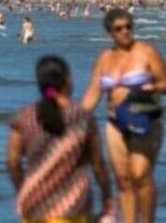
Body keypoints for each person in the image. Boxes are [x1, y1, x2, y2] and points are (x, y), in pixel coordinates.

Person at [81, 8, 166, 223]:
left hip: (146, 118)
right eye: (119, 29)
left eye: (129, 27)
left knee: (141, 175)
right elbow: (94, 93)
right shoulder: (105, 57)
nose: (125, 32)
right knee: (123, 180)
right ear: (110, 33)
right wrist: (73, 118)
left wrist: (149, 87)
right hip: (115, 122)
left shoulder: (147, 52)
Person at [7, 56, 113, 223]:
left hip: (34, 205)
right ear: (68, 80)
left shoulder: (24, 117)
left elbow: (13, 163)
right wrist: (107, 197)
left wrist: (23, 189)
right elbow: (98, 163)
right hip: (72, 205)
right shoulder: (82, 118)